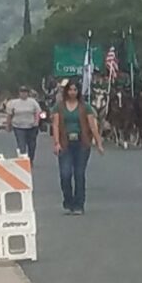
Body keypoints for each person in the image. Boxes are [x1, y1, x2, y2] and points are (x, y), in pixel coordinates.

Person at [52, 80, 103, 215]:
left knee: (79, 174)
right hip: (65, 143)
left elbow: (92, 126)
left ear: (78, 91)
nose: (72, 92)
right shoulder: (59, 107)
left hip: (82, 143)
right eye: (70, 90)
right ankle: (68, 202)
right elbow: (56, 125)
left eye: (75, 90)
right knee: (65, 174)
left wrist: (98, 143)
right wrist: (56, 142)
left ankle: (79, 205)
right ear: (66, 91)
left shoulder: (85, 107)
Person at [6, 86, 42, 160]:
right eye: (22, 92)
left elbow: (38, 112)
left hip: (31, 127)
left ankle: (30, 159)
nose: (23, 94)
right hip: (18, 127)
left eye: (25, 92)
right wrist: (8, 125)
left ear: (27, 93)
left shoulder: (32, 102)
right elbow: (9, 114)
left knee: (32, 145)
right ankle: (23, 160)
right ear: (19, 93)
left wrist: (36, 122)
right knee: (21, 144)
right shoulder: (14, 103)